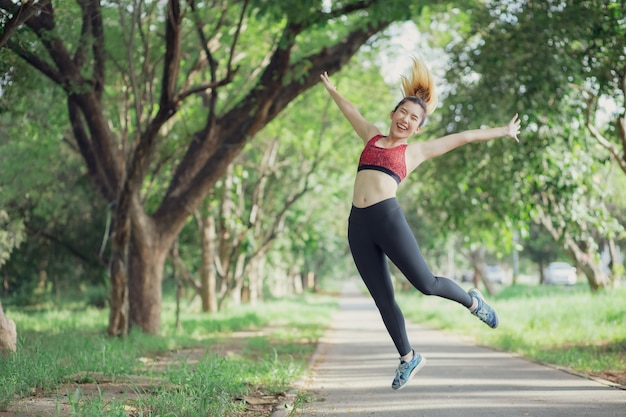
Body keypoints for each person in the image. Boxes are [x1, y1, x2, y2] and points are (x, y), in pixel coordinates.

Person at [319, 57, 521, 391]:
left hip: (387, 219)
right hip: (358, 225)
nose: (406, 119)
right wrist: (333, 91)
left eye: (414, 118)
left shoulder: (415, 152)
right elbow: (351, 111)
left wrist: (503, 130)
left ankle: (472, 302)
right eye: (403, 112)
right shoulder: (371, 137)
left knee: (425, 283)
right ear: (393, 114)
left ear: (418, 128)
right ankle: (407, 357)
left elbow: (464, 137)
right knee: (382, 297)